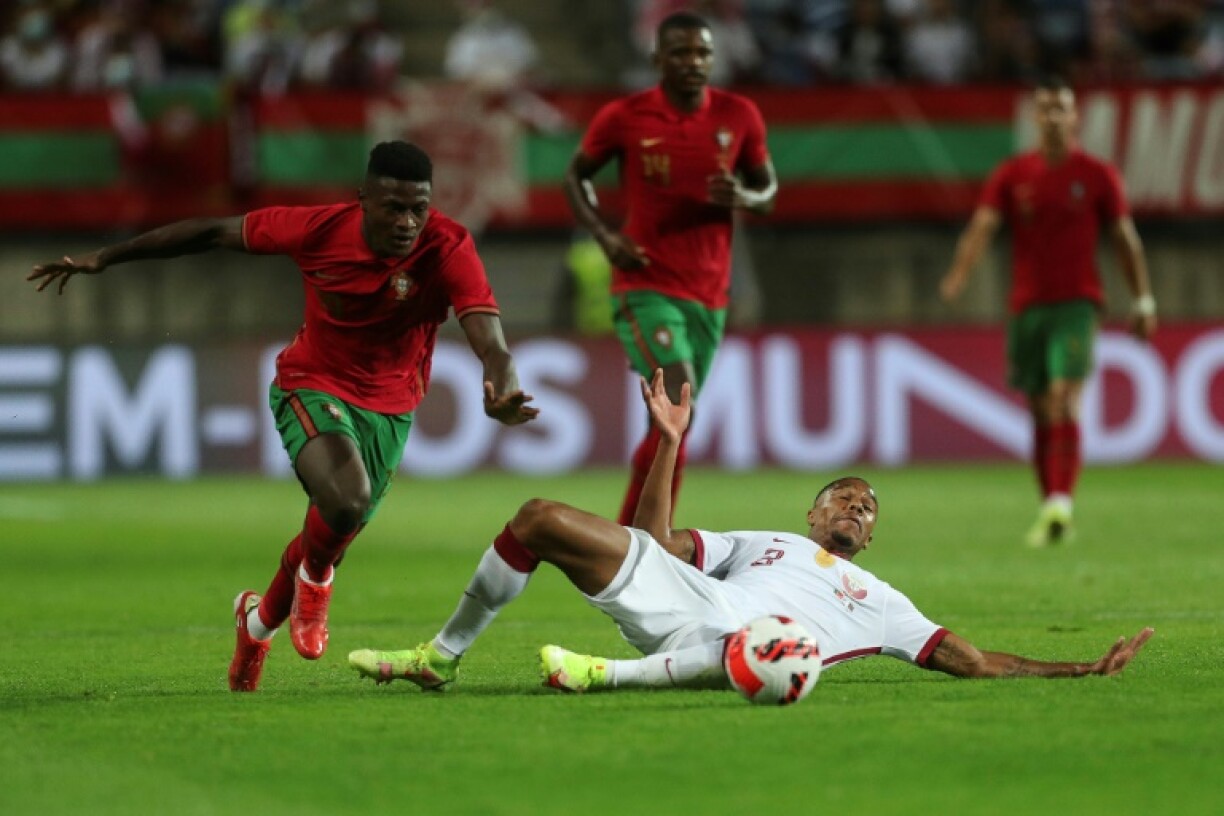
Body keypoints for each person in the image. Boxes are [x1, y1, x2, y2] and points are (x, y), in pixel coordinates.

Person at [27, 140, 540, 692]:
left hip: (392, 408)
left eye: (419, 208)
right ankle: (316, 583)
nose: (407, 222)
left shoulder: (447, 245)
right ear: (363, 198)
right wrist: (107, 257)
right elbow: (211, 232)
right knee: (345, 501)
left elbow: (491, 340)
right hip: (311, 383)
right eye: (394, 207)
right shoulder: (317, 229)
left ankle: (256, 623)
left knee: (334, 520)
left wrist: (502, 387)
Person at [347, 370, 1153, 695]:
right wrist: (670, 439)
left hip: (754, 641)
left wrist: (1082, 667)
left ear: (870, 540)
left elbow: (971, 660)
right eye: (843, 498)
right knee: (537, 518)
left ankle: (606, 677)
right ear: (812, 515)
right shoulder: (762, 541)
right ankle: (439, 657)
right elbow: (655, 541)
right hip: (691, 596)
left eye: (868, 509)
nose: (855, 509)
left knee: (773, 641)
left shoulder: (881, 601)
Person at [564, 11, 777, 527]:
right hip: (645, 284)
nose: (693, 62)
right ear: (658, 59)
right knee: (679, 410)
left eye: (702, 52)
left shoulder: (739, 115)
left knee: (671, 426)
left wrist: (745, 195)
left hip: (709, 293)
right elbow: (577, 177)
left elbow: (767, 191)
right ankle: (645, 544)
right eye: (681, 53)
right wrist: (605, 235)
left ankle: (629, 541)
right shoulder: (626, 116)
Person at [940, 77, 1157, 548]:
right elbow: (982, 227)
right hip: (1026, 309)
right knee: (1039, 408)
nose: (1055, 116)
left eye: (1062, 108)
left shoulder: (1097, 175)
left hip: (1078, 304)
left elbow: (1124, 238)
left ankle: (1061, 501)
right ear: (1034, 118)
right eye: (1046, 109)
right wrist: (959, 273)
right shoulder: (1013, 175)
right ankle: (1049, 507)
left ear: (1075, 116)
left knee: (1063, 398)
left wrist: (1143, 299)